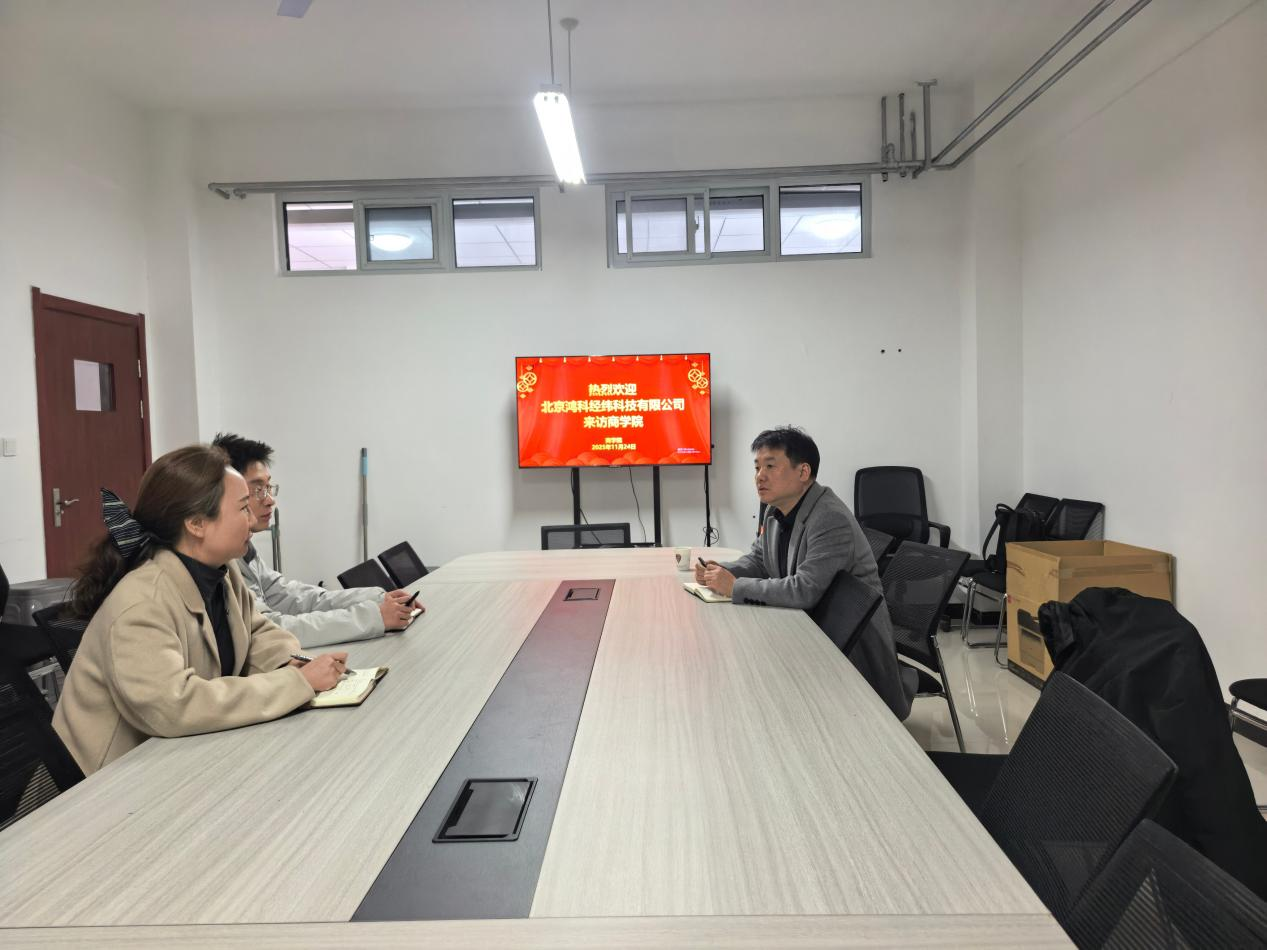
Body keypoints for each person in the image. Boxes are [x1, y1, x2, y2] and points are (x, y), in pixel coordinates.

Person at [53, 444, 347, 776]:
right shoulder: (142, 603)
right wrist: (295, 683)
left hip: (177, 758)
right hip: (109, 782)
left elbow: (256, 631)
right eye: (242, 508)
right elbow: (174, 705)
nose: (252, 520)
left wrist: (289, 661)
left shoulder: (222, 571)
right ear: (196, 523)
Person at [696, 426, 915, 719]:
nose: (760, 476)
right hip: (810, 625)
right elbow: (760, 559)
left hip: (851, 646)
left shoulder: (829, 517)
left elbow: (805, 589)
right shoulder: (776, 511)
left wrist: (735, 586)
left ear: (803, 472)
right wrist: (721, 572)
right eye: (757, 467)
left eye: (770, 466)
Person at [212, 433, 419, 648]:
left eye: (268, 488)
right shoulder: (221, 562)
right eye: (257, 490)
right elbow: (269, 631)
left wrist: (376, 599)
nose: (270, 500)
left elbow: (292, 597)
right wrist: (371, 617)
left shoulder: (243, 551)